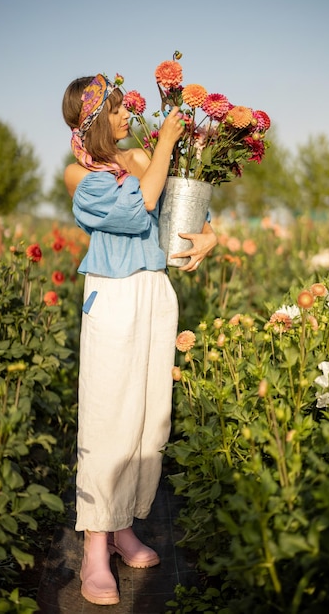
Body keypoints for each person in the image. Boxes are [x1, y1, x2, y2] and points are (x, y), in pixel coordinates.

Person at [62, 73, 217, 606]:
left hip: (155, 291)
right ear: (91, 120)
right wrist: (168, 144)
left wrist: (209, 232)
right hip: (114, 296)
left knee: (150, 419)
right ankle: (95, 547)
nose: (127, 115)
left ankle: (124, 524)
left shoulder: (136, 159)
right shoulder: (78, 175)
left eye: (125, 108)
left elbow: (179, 205)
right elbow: (135, 212)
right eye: (115, 110)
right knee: (109, 419)